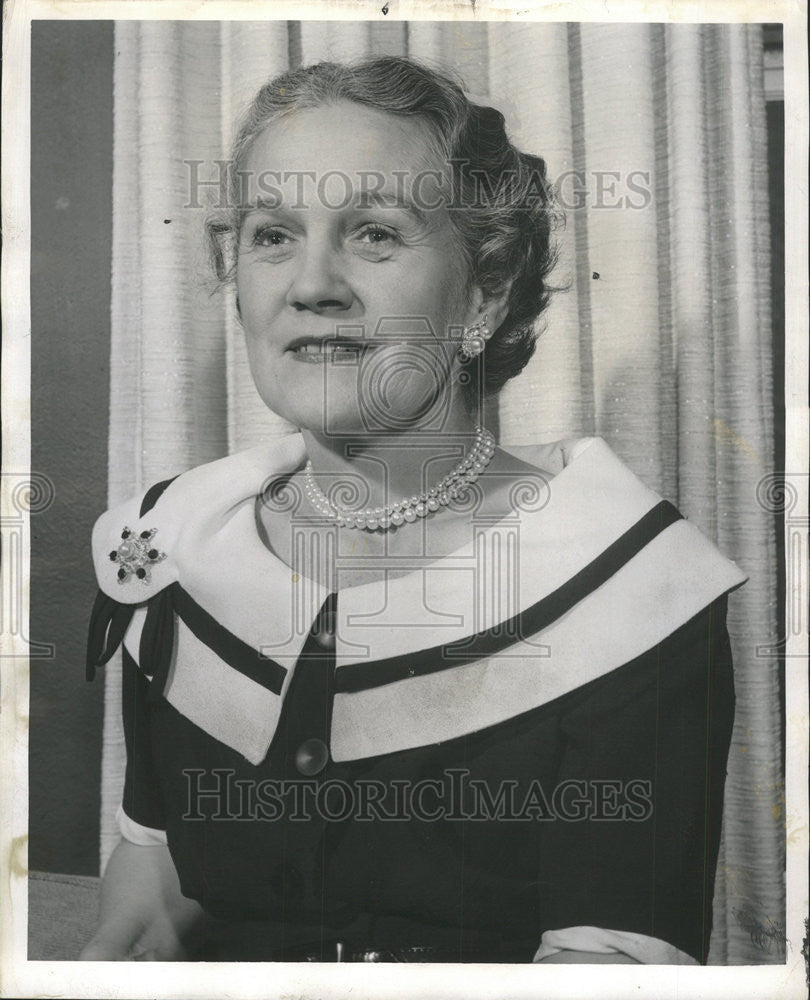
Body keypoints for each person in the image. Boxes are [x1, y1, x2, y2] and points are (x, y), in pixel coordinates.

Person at [81, 56, 746, 964]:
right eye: (273, 234)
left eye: (376, 234)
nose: (311, 283)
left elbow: (608, 965)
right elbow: (157, 867)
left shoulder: (632, 588)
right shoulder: (172, 545)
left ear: (487, 290)